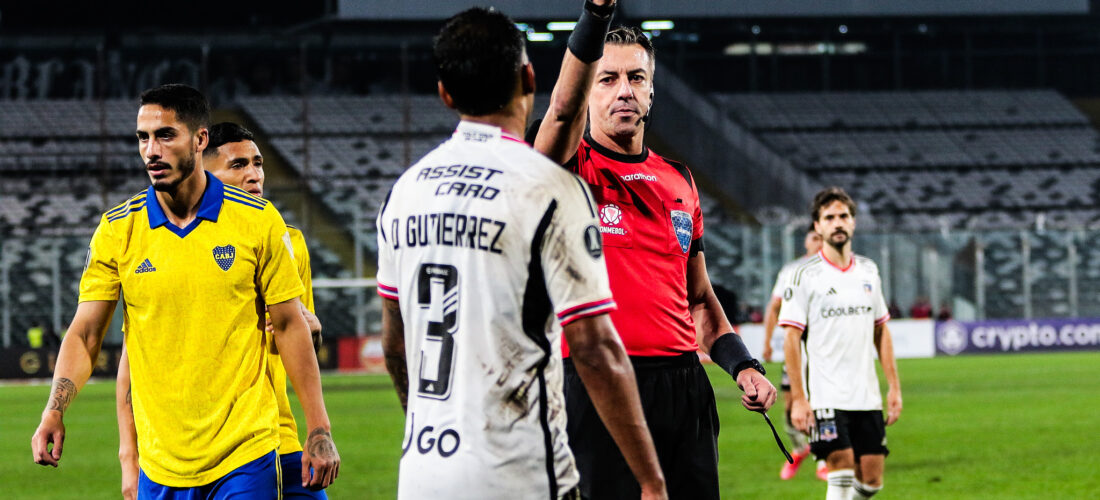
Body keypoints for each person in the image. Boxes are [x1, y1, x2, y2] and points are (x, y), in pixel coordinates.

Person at [377, 6, 666, 500]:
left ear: (445, 94)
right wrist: (651, 480)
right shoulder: (547, 189)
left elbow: (395, 345)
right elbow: (595, 349)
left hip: (423, 474)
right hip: (519, 471)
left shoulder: (404, 192)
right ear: (529, 77)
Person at [31, 84, 339, 499]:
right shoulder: (117, 230)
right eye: (143, 138)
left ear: (199, 139)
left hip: (247, 450)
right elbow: (87, 335)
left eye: (165, 135)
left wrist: (319, 428)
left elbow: (288, 325)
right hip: (162, 463)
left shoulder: (259, 221)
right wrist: (56, 409)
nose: (151, 150)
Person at [528, 25, 777, 499]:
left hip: (684, 388)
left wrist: (743, 366)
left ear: (651, 89)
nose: (624, 90)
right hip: (595, 382)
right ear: (586, 89)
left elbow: (699, 299)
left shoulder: (678, 180)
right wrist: (592, 16)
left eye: (636, 78)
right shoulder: (562, 167)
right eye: (607, 79)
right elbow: (559, 117)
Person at [114, 121, 328, 500]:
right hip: (189, 455)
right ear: (203, 171)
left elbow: (294, 337)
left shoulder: (285, 239)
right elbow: (133, 362)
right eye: (238, 165)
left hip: (273, 437)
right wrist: (130, 456)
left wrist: (306, 328)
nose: (254, 174)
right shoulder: (159, 240)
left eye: (257, 163)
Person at [779, 187, 903, 500]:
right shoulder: (804, 275)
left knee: (872, 481)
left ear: (853, 223)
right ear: (818, 227)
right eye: (829, 217)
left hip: (867, 396)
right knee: (841, 471)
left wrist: (894, 388)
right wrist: (798, 398)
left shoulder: (869, 271)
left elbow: (881, 331)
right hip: (825, 396)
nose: (838, 222)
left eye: (843, 216)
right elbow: (791, 339)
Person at [762, 224, 826, 481]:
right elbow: (774, 306)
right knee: (791, 406)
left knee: (824, 403)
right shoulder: (791, 271)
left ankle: (824, 457)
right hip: (798, 348)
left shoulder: (835, 271)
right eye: (814, 237)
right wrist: (767, 342)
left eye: (822, 238)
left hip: (824, 349)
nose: (819, 242)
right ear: (806, 242)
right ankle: (800, 449)